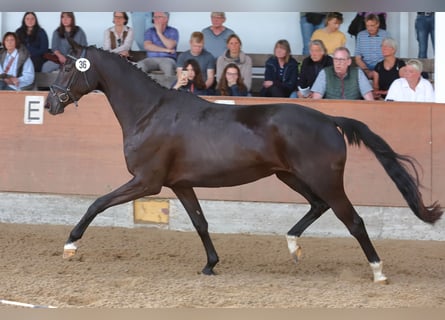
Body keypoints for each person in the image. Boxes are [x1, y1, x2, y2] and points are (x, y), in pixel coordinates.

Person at [136, 12, 179, 76]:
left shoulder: (173, 31)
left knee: (168, 67)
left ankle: (170, 86)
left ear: (166, 19)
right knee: (139, 65)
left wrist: (159, 32)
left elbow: (170, 46)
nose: (155, 19)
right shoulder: (149, 31)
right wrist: (166, 50)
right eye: (154, 17)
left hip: (168, 59)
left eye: (158, 17)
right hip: (151, 59)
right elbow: (147, 46)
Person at [354, 14, 388, 79]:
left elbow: (389, 55)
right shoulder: (360, 35)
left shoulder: (385, 35)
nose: (369, 28)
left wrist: (378, 70)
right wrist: (367, 71)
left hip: (381, 66)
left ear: (378, 24)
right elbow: (357, 58)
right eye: (367, 26)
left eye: (372, 26)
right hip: (365, 66)